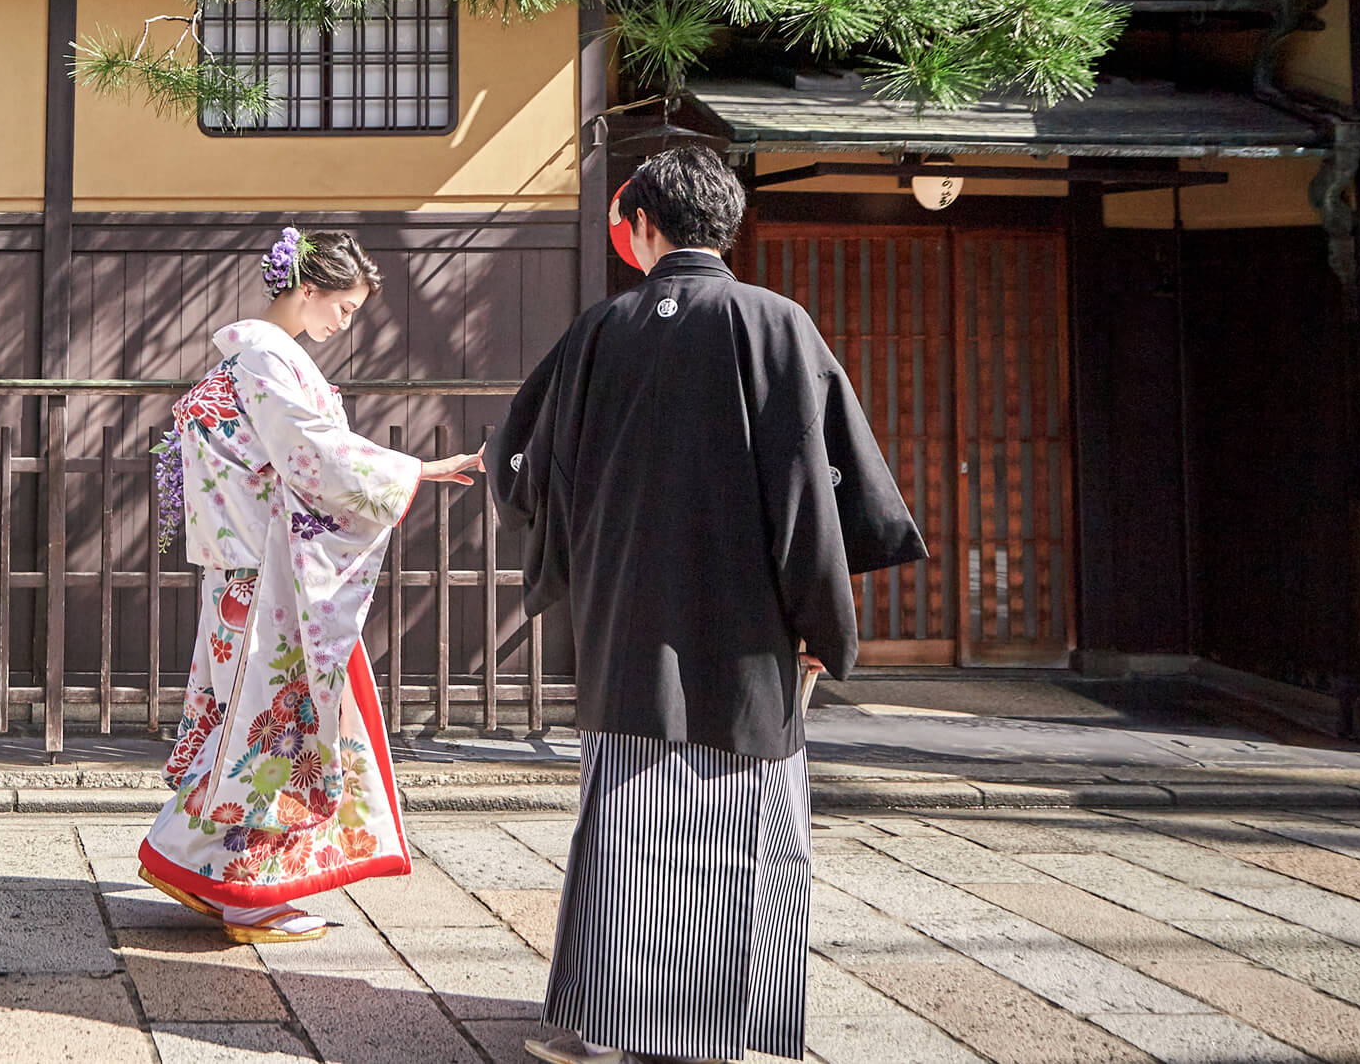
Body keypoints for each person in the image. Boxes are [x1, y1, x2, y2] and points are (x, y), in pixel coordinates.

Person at [487, 146, 928, 1064]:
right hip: (744, 631)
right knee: (737, 824)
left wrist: (580, 557)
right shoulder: (775, 324)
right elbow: (816, 482)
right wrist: (821, 620)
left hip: (624, 628)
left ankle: (609, 1028)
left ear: (642, 227)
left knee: (626, 823)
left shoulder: (599, 332)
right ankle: (714, 1032)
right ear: (726, 226)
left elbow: (522, 466)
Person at [136, 227, 483, 944]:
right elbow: (314, 455)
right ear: (308, 290)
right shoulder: (266, 359)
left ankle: (188, 859)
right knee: (276, 723)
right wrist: (413, 471)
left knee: (252, 718)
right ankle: (249, 895)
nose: (342, 324)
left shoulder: (253, 358)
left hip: (253, 568)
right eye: (344, 308)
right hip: (272, 577)